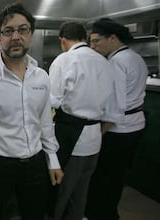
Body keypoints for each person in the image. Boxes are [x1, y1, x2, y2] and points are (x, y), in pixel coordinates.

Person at [0, 3, 64, 220]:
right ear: (0, 38)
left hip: (35, 164)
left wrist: (52, 159)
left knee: (34, 214)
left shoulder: (41, 77)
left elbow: (44, 122)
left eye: (22, 29)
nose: (16, 36)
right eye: (8, 31)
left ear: (31, 35)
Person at [48, 21, 122, 220]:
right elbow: (115, 110)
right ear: (85, 38)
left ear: (62, 40)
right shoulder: (105, 63)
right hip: (94, 140)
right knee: (80, 195)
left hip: (71, 139)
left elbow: (51, 101)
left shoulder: (64, 60)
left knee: (60, 194)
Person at [85, 18, 148, 220]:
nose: (93, 47)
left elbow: (114, 110)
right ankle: (109, 212)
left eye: (96, 41)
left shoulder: (115, 62)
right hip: (135, 126)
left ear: (112, 38)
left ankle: (101, 214)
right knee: (117, 176)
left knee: (104, 177)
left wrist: (98, 135)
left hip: (119, 131)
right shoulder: (135, 57)